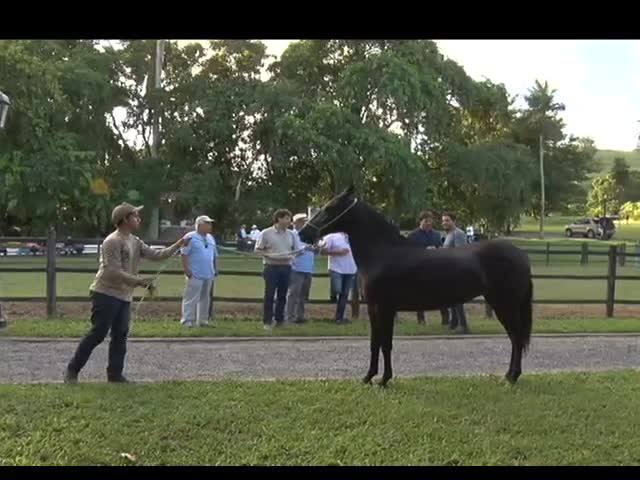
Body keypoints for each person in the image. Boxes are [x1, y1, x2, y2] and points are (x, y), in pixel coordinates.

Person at [64, 203, 190, 384]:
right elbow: (113, 271)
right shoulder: (112, 241)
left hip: (123, 295)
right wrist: (139, 281)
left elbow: (156, 254)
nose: (139, 219)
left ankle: (115, 375)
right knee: (98, 333)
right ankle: (72, 370)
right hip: (105, 293)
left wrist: (179, 244)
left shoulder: (135, 241)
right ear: (124, 219)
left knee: (120, 334)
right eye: (135, 216)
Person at [255, 209, 299, 329]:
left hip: (286, 267)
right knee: (269, 294)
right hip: (271, 267)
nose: (289, 221)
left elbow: (297, 250)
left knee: (282, 295)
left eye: (289, 218)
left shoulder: (291, 234)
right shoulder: (266, 233)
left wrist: (292, 256)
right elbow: (258, 250)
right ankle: (267, 322)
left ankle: (280, 320)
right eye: (287, 218)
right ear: (279, 219)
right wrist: (268, 255)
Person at [406, 210, 449, 325]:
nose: (429, 223)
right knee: (420, 295)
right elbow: (408, 254)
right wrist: (424, 251)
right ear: (421, 221)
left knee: (441, 293)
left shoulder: (436, 234)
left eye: (430, 221)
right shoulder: (412, 236)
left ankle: (445, 318)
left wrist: (437, 250)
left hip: (435, 268)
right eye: (426, 221)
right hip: (419, 269)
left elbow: (440, 248)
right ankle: (421, 319)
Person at [180, 215, 218, 327]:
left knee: (205, 298)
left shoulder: (211, 238)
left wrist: (216, 268)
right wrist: (186, 269)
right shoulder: (190, 237)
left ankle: (202, 320)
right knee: (191, 297)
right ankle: (187, 320)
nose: (210, 226)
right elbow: (184, 253)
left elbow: (214, 254)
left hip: (208, 273)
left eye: (210, 223)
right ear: (200, 225)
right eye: (207, 223)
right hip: (195, 272)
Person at [442, 211, 470, 334]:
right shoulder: (448, 234)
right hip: (448, 270)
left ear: (454, 221)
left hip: (457, 270)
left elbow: (461, 252)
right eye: (443, 220)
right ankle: (454, 322)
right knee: (451, 298)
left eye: (447, 220)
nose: (444, 223)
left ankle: (463, 325)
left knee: (457, 299)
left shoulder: (458, 234)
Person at [286, 213, 317, 324]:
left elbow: (315, 251)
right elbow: (290, 251)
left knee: (303, 295)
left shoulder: (309, 235)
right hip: (296, 268)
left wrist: (316, 248)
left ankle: (300, 316)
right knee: (293, 294)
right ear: (296, 223)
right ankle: (289, 317)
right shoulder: (291, 235)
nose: (305, 223)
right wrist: (305, 248)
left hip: (308, 268)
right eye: (303, 221)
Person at [321, 232, 357, 324]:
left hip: (351, 269)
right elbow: (322, 251)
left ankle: (340, 317)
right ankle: (332, 295)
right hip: (336, 269)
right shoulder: (331, 236)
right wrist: (338, 252)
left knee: (344, 295)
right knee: (338, 290)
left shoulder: (353, 236)